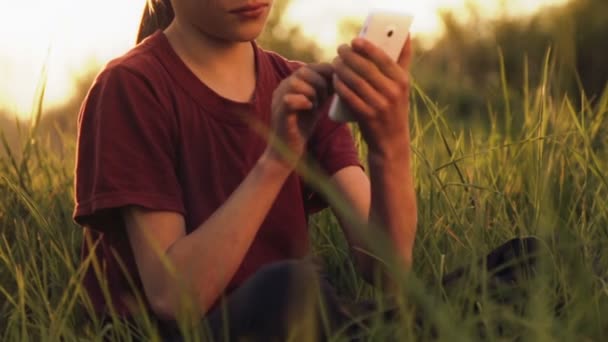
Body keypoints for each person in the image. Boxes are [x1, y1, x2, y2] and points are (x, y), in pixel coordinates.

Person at [73, 0, 539, 340]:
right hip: (210, 330)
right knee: (292, 288)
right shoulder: (131, 87)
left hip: (310, 322)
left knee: (528, 261)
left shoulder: (296, 85)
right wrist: (276, 160)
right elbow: (174, 299)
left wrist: (390, 140)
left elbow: (387, 273)